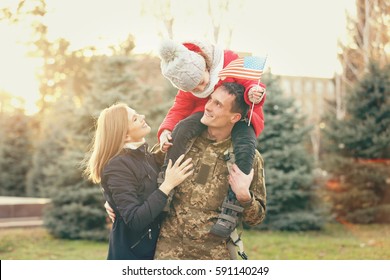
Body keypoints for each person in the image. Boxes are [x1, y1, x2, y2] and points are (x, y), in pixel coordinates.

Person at [106, 82, 267, 259]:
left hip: (213, 257)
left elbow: (256, 218)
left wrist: (245, 197)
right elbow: (140, 173)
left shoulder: (248, 159)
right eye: (211, 99)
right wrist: (111, 199)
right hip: (166, 256)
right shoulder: (181, 143)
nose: (208, 106)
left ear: (235, 117)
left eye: (218, 104)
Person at [157, 39, 267, 237]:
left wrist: (254, 92)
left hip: (244, 114)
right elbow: (179, 109)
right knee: (181, 128)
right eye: (195, 89)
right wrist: (166, 130)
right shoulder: (189, 86)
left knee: (246, 143)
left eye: (202, 82)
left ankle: (231, 206)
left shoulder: (229, 60)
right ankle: (165, 185)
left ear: (206, 66)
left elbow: (252, 81)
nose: (201, 89)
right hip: (204, 115)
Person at [84, 103, 193, 260]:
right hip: (133, 257)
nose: (143, 117)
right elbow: (135, 219)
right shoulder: (118, 166)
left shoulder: (145, 156)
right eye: (135, 119)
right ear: (125, 136)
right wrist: (167, 185)